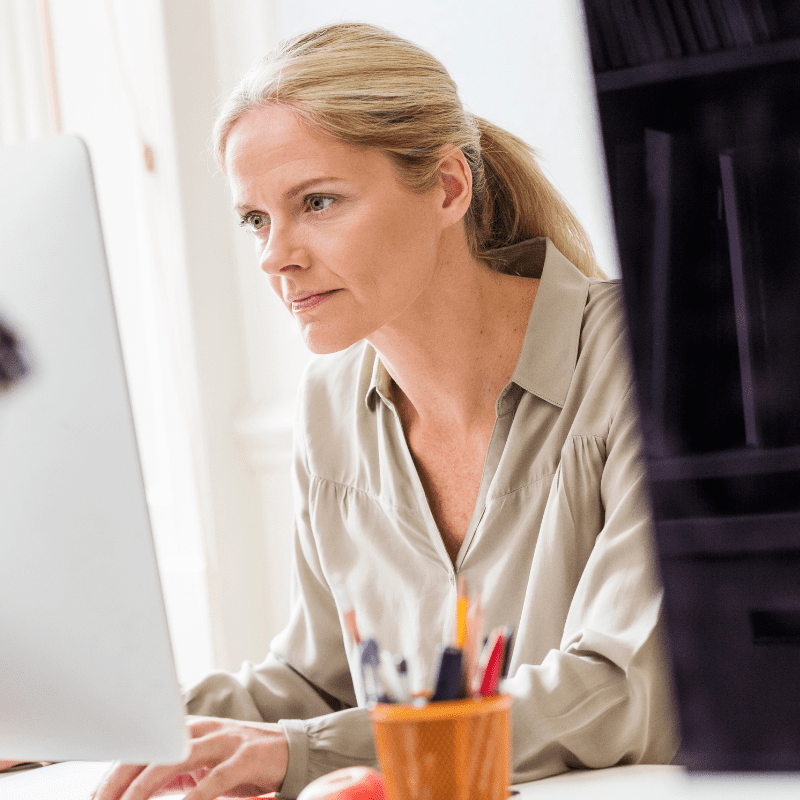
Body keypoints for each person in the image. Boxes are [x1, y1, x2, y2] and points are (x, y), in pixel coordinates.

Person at [94, 22, 678, 800]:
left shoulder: (647, 357)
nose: (275, 254)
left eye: (319, 202)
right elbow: (313, 680)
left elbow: (618, 692)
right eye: (257, 220)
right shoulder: (331, 405)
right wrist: (102, 729)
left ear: (446, 187)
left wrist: (302, 752)